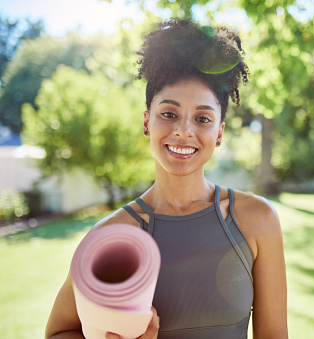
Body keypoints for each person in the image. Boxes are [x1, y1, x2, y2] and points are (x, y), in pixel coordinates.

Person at [45, 19, 288, 339]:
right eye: (169, 113)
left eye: (203, 118)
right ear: (147, 122)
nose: (184, 131)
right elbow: (59, 332)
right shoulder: (110, 236)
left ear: (219, 133)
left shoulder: (258, 220)